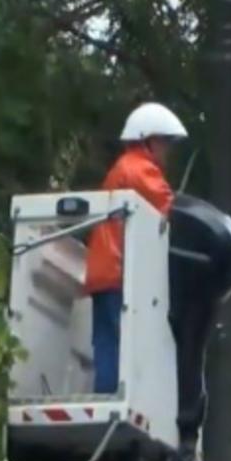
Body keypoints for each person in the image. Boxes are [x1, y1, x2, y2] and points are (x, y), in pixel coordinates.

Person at [84, 102, 188, 396]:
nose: (167, 150)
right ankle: (120, 398)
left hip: (102, 271)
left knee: (106, 341)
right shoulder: (139, 169)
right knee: (125, 342)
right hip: (119, 270)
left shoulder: (120, 168)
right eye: (164, 142)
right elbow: (170, 206)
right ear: (147, 140)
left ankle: (104, 397)